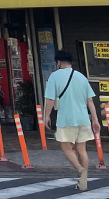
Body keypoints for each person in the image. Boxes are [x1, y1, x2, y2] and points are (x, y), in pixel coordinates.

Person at [42, 49, 102, 192]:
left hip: (66, 119)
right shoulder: (81, 77)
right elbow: (90, 101)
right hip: (83, 118)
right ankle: (83, 181)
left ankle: (81, 170)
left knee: (67, 148)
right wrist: (95, 119)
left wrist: (47, 116)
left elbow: (49, 100)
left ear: (58, 62)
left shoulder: (54, 77)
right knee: (82, 149)